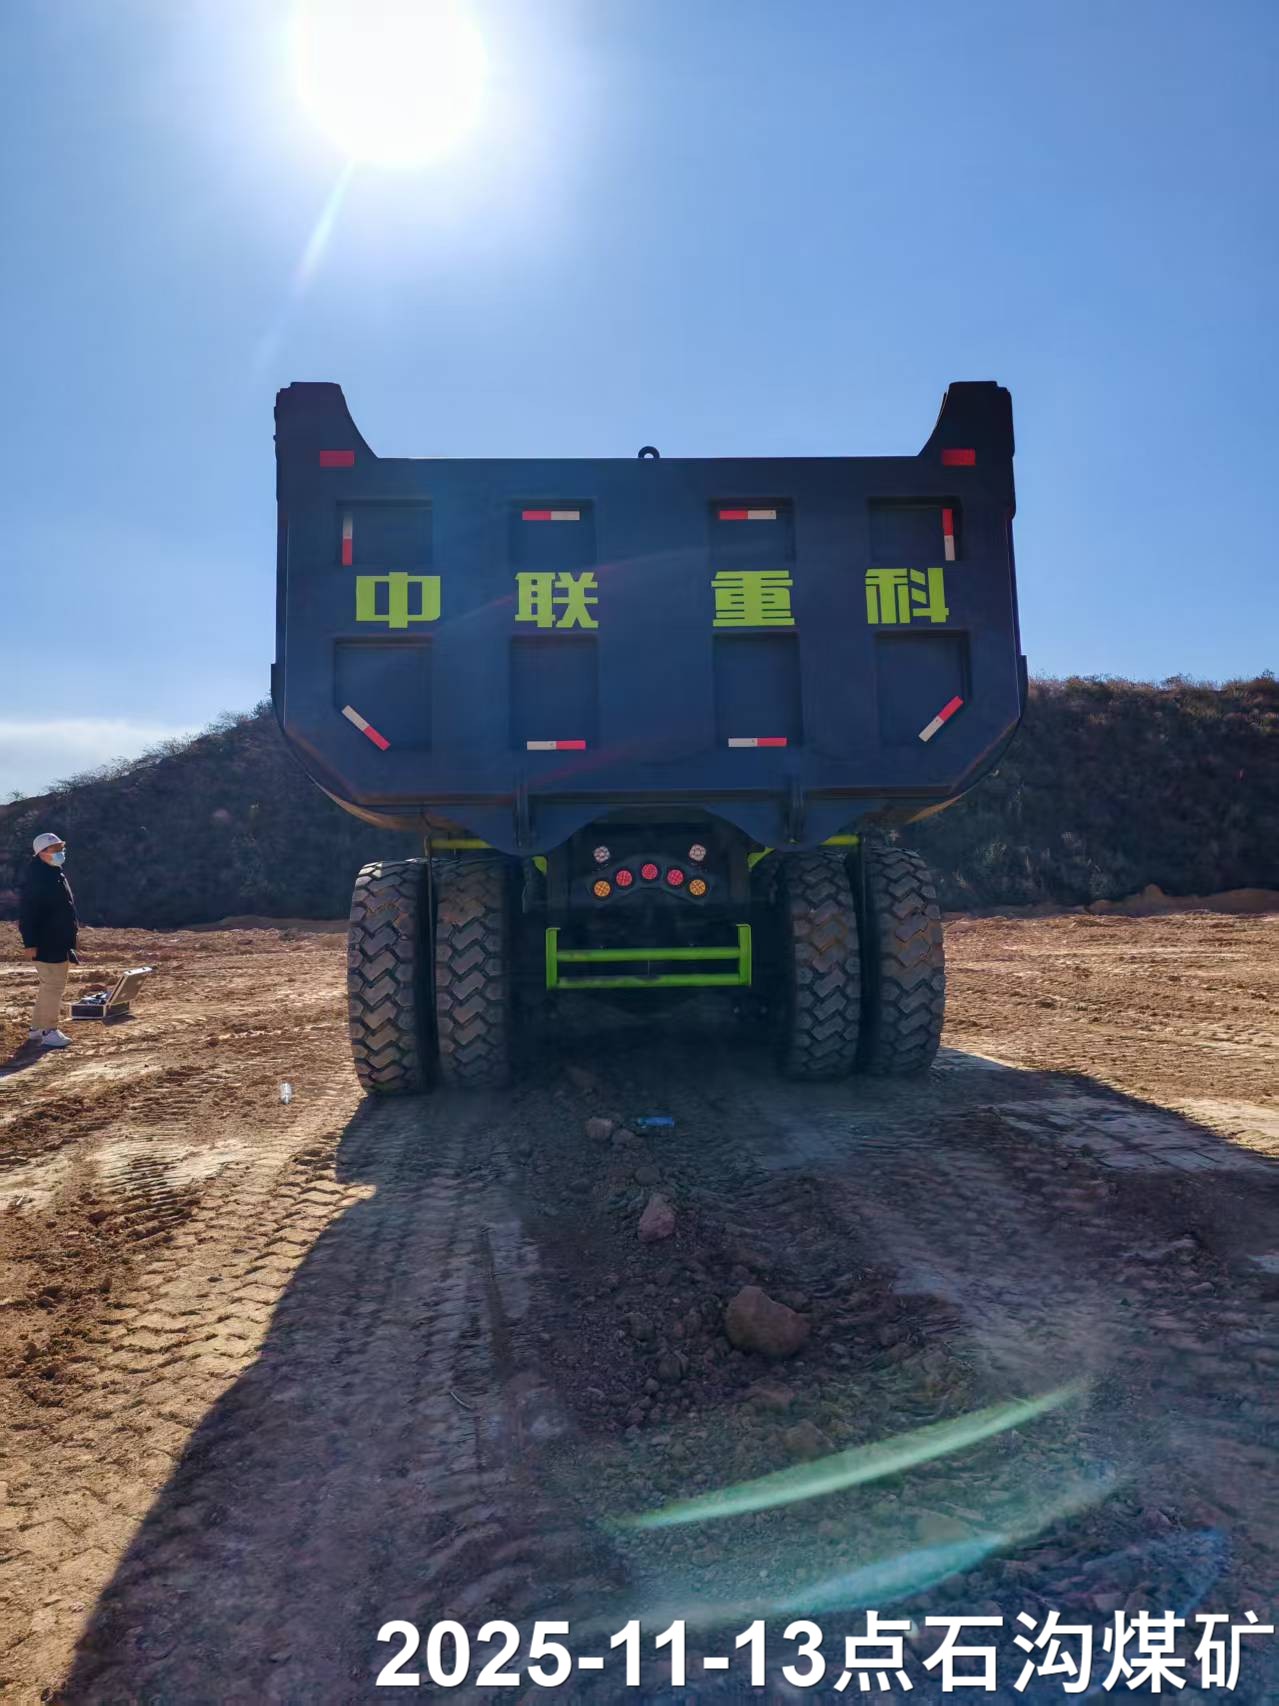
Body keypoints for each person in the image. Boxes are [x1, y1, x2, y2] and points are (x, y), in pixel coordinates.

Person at [18, 831, 79, 1049]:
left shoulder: (53, 873)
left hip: (57, 939)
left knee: (49, 985)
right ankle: (49, 1030)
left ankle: (37, 1028)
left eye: (61, 848)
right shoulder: (39, 878)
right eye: (55, 849)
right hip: (47, 941)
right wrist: (30, 943)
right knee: (54, 986)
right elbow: (28, 913)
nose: (60, 852)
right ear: (42, 852)